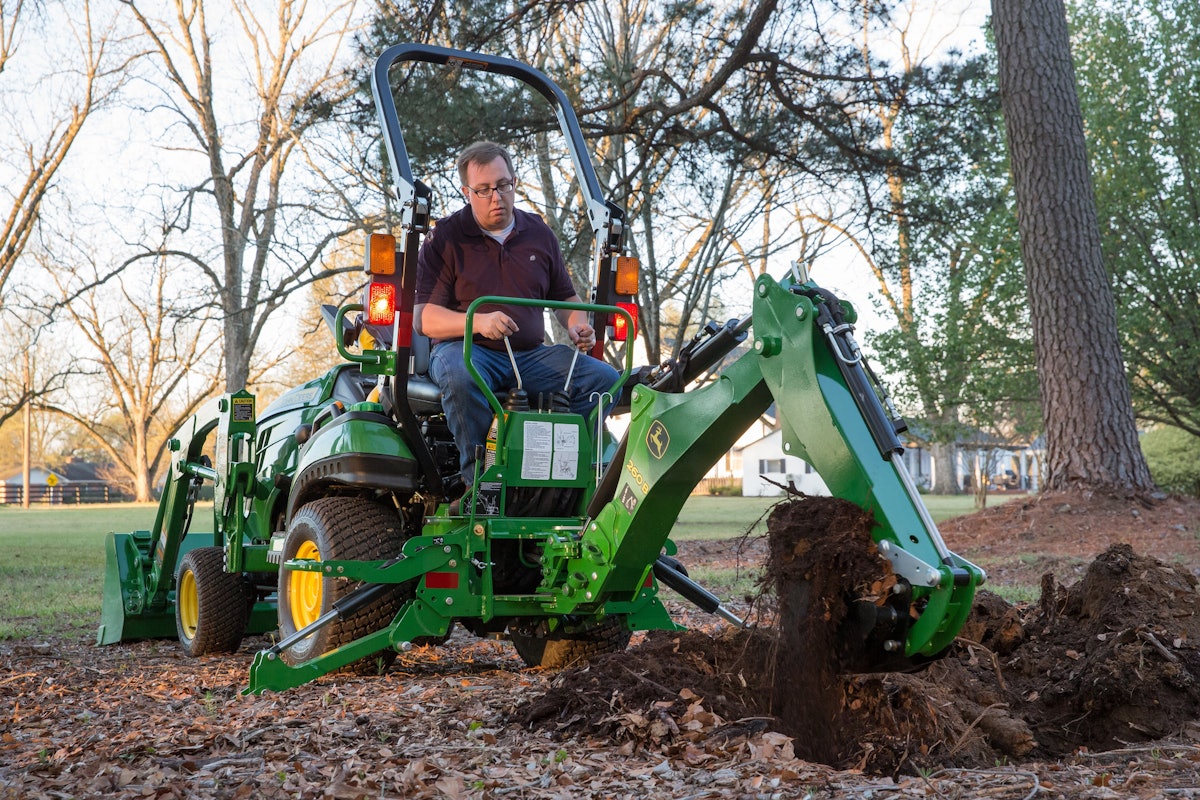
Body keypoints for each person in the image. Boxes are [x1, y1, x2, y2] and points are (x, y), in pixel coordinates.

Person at [415, 141, 620, 491]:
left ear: (514, 182)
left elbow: (565, 298)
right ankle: (482, 484)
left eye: (503, 185)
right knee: (460, 374)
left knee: (604, 379)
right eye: (483, 189)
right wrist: (477, 322)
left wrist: (577, 325)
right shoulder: (446, 238)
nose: (496, 196)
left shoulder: (538, 234)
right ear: (467, 192)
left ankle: (560, 476)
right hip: (468, 351)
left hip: (529, 356)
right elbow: (424, 318)